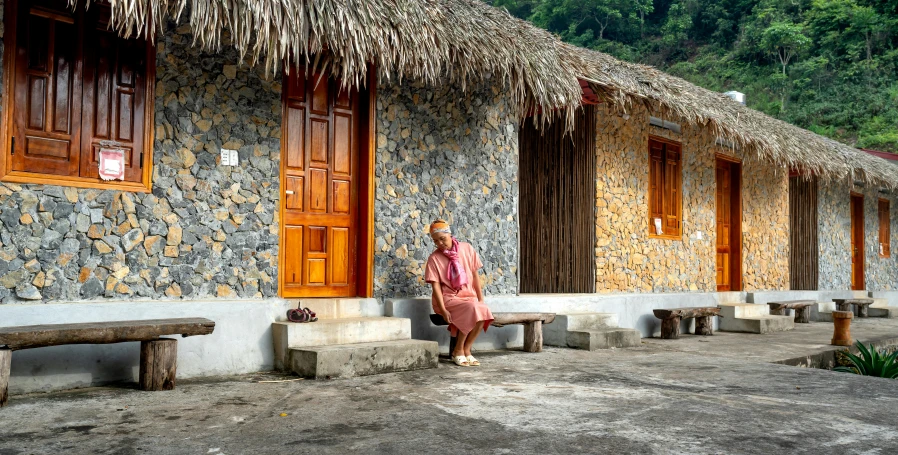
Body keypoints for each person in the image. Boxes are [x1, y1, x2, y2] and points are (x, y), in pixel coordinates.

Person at [424, 219, 494, 367]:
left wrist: (480, 298)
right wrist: (442, 310)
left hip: (469, 296)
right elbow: (435, 287)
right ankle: (458, 350)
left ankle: (466, 349)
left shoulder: (467, 248)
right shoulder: (434, 258)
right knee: (473, 308)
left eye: (442, 239)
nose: (440, 244)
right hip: (447, 299)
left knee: (483, 309)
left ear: (450, 234)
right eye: (436, 241)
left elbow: (475, 275)